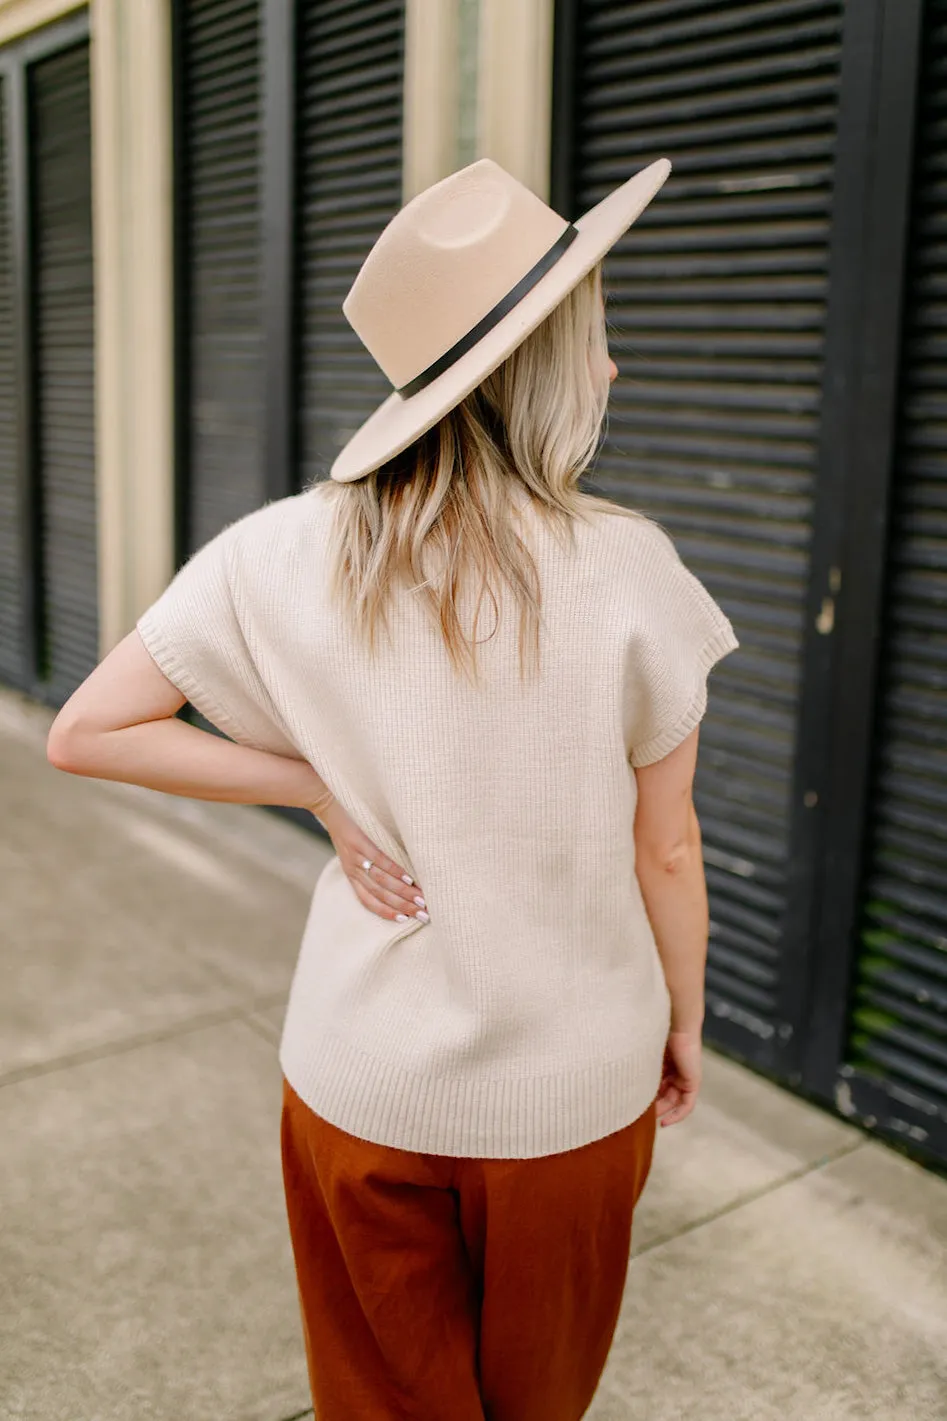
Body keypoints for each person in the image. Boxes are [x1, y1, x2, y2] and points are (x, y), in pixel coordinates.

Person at [46, 156, 738, 1420]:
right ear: (538, 369)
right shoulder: (631, 569)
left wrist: (310, 778)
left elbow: (87, 731)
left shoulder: (275, 549)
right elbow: (668, 852)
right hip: (573, 1091)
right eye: (599, 342)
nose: (613, 370)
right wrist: (680, 1021)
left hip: (355, 1078)